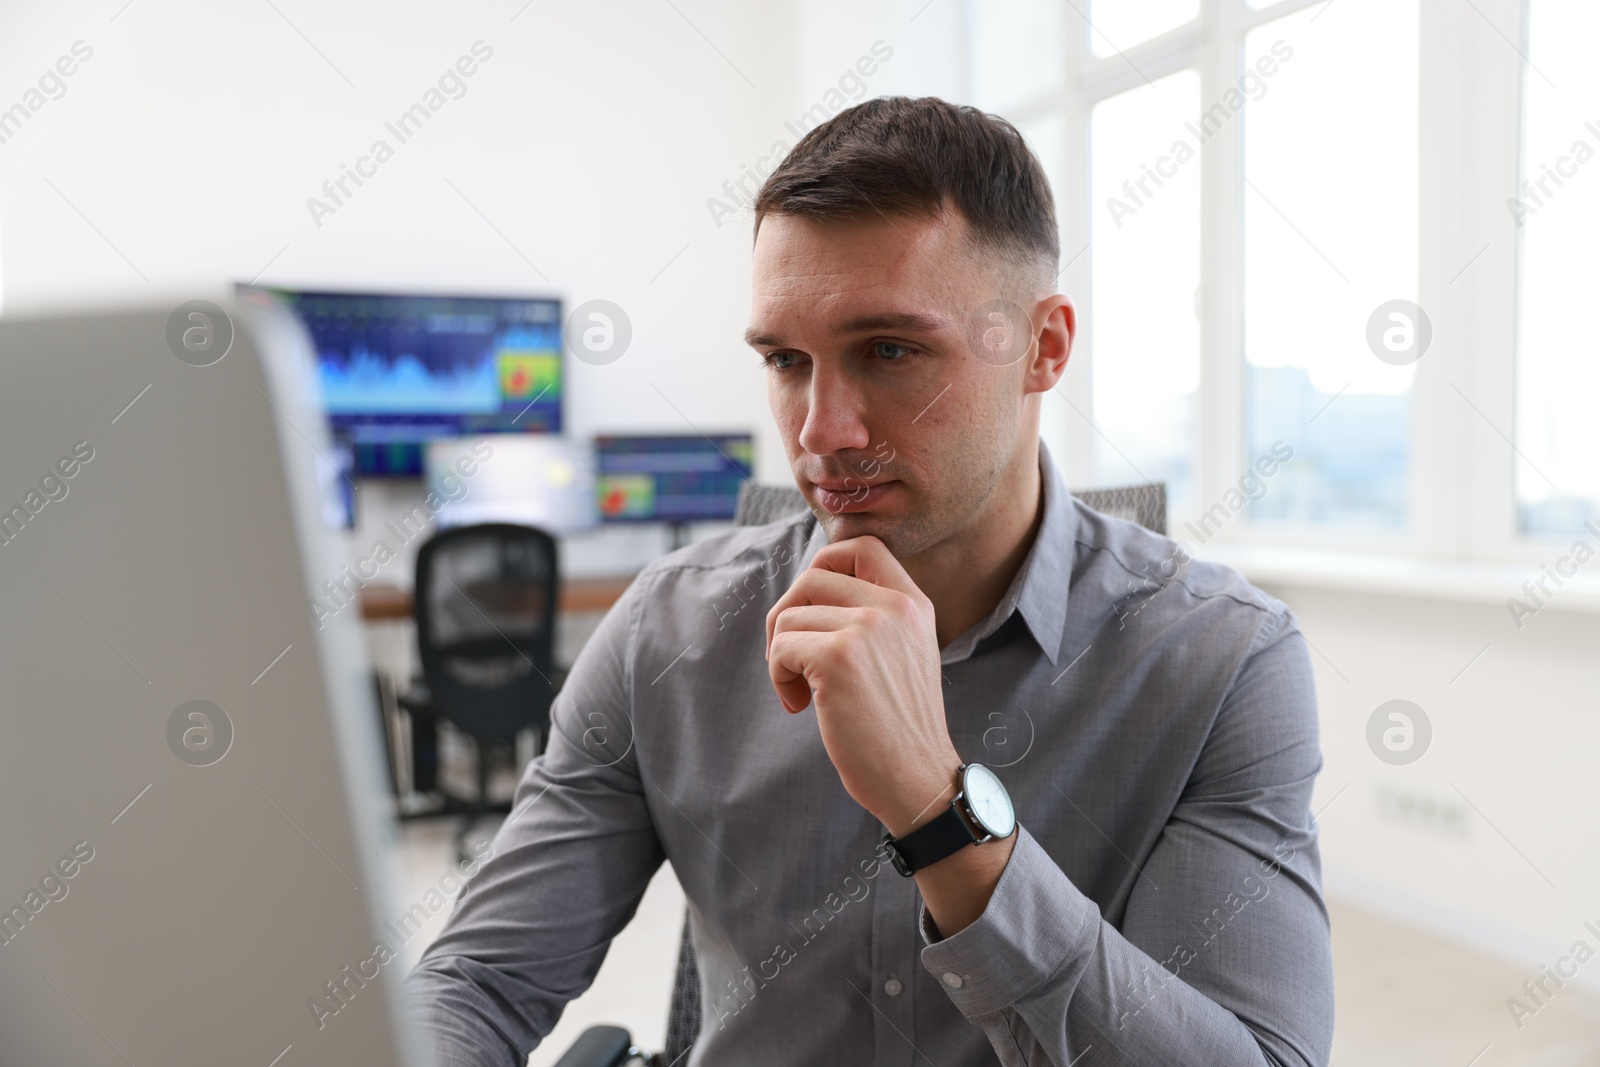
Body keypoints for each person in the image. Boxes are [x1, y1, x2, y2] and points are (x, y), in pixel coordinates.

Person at [404, 95, 1334, 1067]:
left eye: (889, 350)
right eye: (785, 360)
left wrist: (942, 813)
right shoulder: (666, 630)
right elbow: (477, 982)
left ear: (1043, 346)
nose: (820, 431)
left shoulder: (1222, 660)